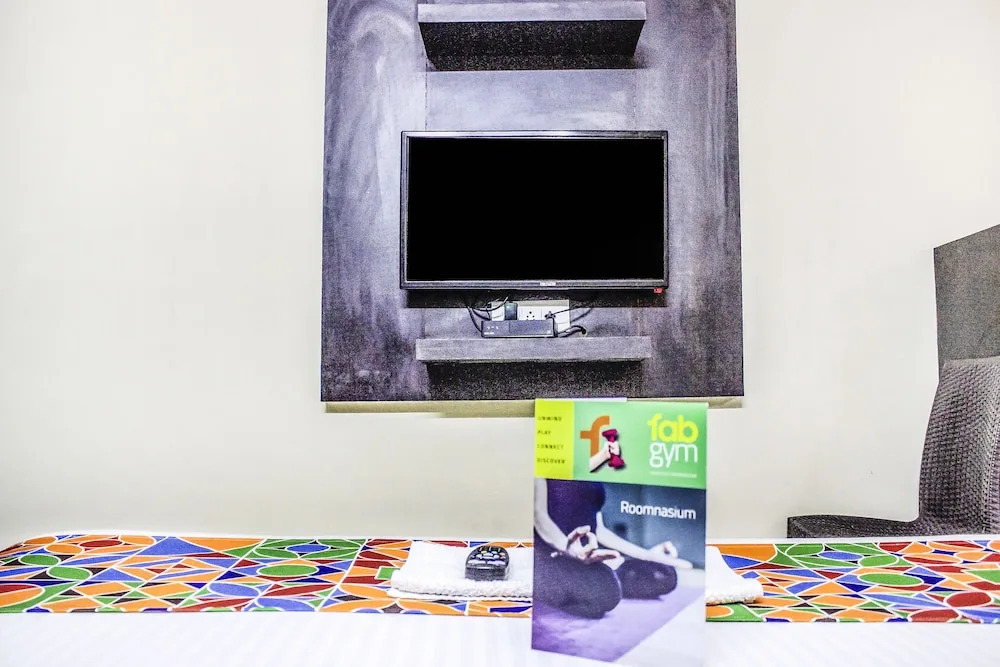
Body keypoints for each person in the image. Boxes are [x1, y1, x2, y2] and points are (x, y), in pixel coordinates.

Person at [533, 476, 692, 618]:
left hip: (588, 554)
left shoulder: (590, 469)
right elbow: (539, 517)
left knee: (665, 574)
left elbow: (599, 530)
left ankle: (611, 572)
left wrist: (648, 555)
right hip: (551, 555)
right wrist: (568, 548)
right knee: (606, 593)